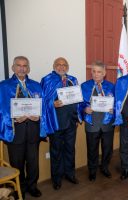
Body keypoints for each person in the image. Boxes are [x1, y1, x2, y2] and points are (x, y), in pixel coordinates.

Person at [0, 56, 46, 198]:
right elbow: (1, 109)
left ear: (28, 68)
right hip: (15, 131)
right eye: (18, 65)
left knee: (33, 162)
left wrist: (39, 116)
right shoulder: (4, 86)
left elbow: (43, 107)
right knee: (17, 163)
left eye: (25, 65)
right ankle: (20, 188)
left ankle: (32, 186)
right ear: (13, 68)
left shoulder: (36, 85)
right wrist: (13, 118)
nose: (22, 68)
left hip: (33, 129)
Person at [41, 57, 80, 190]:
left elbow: (77, 101)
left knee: (70, 149)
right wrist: (52, 104)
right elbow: (41, 102)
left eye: (64, 65)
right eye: (58, 64)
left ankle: (70, 174)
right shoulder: (47, 80)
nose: (61, 67)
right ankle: (56, 179)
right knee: (56, 151)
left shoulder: (73, 80)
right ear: (54, 66)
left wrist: (77, 118)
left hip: (70, 122)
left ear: (67, 67)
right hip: (55, 123)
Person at [80, 61, 115, 181]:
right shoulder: (84, 86)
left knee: (107, 149)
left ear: (104, 73)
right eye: (94, 71)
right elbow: (79, 104)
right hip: (92, 124)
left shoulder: (111, 86)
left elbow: (118, 103)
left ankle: (105, 167)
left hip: (107, 124)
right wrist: (84, 109)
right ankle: (92, 170)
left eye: (99, 72)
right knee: (92, 149)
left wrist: (113, 110)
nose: (96, 74)